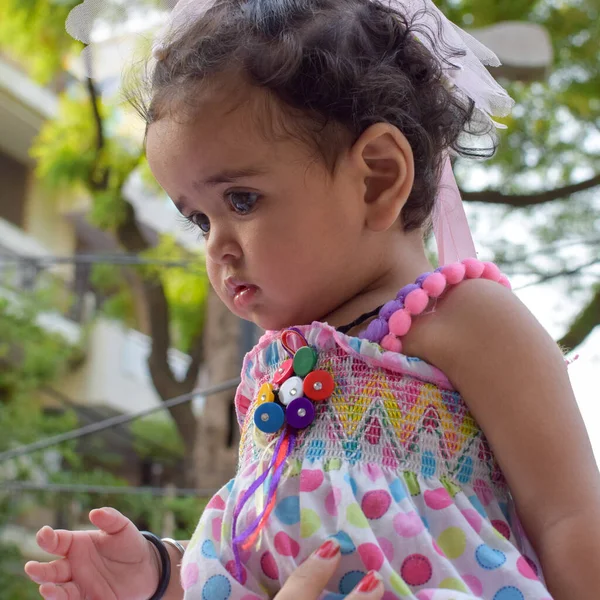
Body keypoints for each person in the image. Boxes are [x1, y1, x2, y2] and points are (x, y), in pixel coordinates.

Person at [25, 0, 600, 598]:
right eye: (199, 220)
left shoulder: (466, 318)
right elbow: (263, 550)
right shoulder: (268, 374)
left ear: (376, 177)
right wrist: (163, 571)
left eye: (241, 201)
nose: (217, 246)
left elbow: (572, 523)